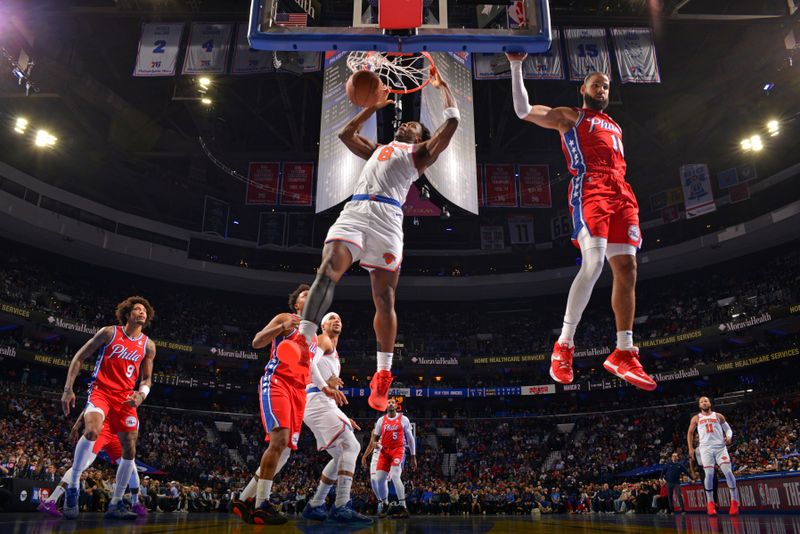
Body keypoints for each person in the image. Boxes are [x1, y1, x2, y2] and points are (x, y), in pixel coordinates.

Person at [294, 68, 460, 412]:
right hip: (355, 211)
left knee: (384, 298)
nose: (405, 125)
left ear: (419, 136)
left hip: (387, 220)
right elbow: (344, 133)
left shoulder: (420, 154)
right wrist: (372, 106)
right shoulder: (379, 150)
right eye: (403, 124)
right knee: (327, 269)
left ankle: (383, 373)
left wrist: (444, 91)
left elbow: (452, 125)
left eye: (411, 125)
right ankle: (303, 340)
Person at [506, 53, 656, 391]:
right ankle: (565, 344)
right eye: (596, 84)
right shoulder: (571, 117)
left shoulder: (615, 125)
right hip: (591, 188)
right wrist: (516, 66)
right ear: (582, 89)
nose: (602, 89)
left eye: (606, 86)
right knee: (593, 264)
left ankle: (624, 351)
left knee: (628, 268)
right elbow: (523, 110)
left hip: (622, 192)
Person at [60, 296, 156, 520]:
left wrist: (141, 395)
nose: (142, 312)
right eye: (138, 309)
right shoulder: (109, 333)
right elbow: (79, 357)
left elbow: (148, 378)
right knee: (92, 431)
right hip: (101, 391)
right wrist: (68, 388)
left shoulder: (148, 345)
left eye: (145, 311)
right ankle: (73, 485)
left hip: (125, 399)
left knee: (129, 452)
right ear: (128, 314)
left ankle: (116, 504)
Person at [232, 285, 317, 526]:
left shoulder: (314, 333)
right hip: (278, 382)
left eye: (314, 293)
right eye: (304, 294)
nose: (310, 295)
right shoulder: (286, 318)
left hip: (300, 391)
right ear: (297, 304)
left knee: (286, 451)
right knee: (278, 440)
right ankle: (262, 505)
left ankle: (244, 499)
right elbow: (257, 342)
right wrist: (281, 328)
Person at [301, 312, 372, 525]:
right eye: (331, 318)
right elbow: (307, 363)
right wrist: (325, 384)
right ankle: (341, 505)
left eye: (339, 318)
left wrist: (343, 416)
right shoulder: (323, 339)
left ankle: (315, 504)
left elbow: (326, 382)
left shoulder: (334, 351)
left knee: (342, 453)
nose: (337, 320)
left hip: (322, 402)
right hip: (316, 398)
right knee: (352, 446)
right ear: (323, 325)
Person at [38, 409, 146, 517]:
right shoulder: (109, 394)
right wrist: (76, 426)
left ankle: (135, 503)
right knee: (82, 464)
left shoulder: (132, 400)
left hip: (116, 434)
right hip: (103, 429)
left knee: (130, 467)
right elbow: (90, 406)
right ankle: (51, 500)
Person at [361, 398, 416, 518]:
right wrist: (375, 444)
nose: (390, 403)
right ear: (386, 407)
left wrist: (413, 456)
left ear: (396, 406)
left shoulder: (403, 419)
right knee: (379, 480)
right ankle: (385, 504)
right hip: (384, 451)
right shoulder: (381, 420)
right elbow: (374, 440)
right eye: (388, 402)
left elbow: (410, 439)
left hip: (398, 450)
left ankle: (403, 506)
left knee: (395, 476)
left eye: (392, 402)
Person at [687, 396, 740, 516]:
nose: (704, 403)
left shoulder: (718, 416)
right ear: (699, 406)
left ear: (710, 403)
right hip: (705, 449)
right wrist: (690, 448)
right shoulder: (696, 418)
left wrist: (729, 437)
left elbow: (728, 430)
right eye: (701, 402)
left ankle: (734, 501)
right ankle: (710, 503)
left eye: (706, 401)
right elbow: (690, 433)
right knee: (709, 474)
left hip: (720, 447)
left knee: (728, 472)